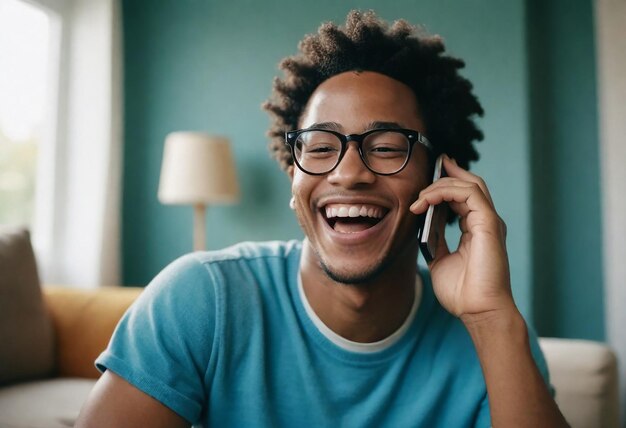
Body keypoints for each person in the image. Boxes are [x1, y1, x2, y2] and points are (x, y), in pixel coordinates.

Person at [76, 10, 568, 427]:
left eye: (386, 146)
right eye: (321, 147)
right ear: (294, 177)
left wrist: (491, 320)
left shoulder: (492, 336)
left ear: (439, 178)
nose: (349, 173)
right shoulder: (203, 299)